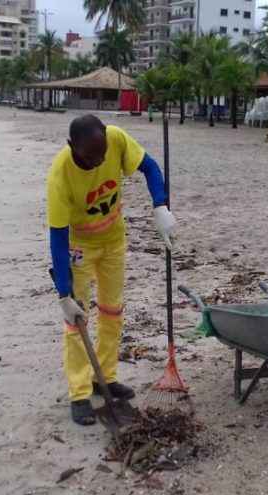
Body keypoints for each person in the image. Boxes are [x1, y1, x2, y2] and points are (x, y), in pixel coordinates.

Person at [47, 114, 175, 426]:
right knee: (77, 319)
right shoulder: (60, 176)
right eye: (91, 157)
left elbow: (150, 167)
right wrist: (64, 293)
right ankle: (79, 393)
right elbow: (58, 239)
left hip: (114, 240)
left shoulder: (115, 138)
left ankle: (105, 376)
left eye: (103, 153)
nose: (100, 160)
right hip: (79, 246)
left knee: (112, 311)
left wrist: (160, 206)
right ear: (72, 147)